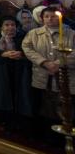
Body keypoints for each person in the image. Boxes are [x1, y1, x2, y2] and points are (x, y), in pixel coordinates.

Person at [23, 7, 75, 143]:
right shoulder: (34, 33)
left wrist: (58, 63)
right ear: (42, 18)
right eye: (46, 16)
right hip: (42, 77)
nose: (50, 19)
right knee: (43, 108)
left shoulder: (71, 33)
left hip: (66, 78)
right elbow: (27, 49)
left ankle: (64, 138)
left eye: (53, 16)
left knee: (65, 108)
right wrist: (44, 62)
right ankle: (46, 137)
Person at [0, 16, 32, 134]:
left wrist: (21, 54)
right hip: (1, 71)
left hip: (19, 70)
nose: (10, 27)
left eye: (12, 25)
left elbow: (30, 51)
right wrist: (2, 54)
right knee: (3, 95)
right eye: (7, 25)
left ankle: (18, 122)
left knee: (18, 95)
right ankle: (5, 121)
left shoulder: (22, 37)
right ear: (1, 27)